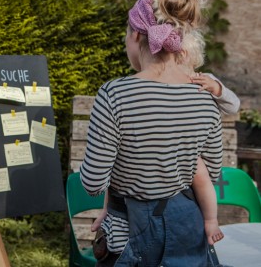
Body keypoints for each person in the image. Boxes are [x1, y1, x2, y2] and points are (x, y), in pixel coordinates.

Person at [80, 0, 224, 266]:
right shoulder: (204, 97)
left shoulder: (115, 93)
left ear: (136, 36)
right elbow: (214, 170)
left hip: (130, 234)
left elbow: (93, 182)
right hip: (186, 230)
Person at [90, 32, 240, 247]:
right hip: (165, 193)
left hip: (174, 167)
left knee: (200, 173)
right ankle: (110, 210)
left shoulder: (203, 81)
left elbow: (233, 105)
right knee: (122, 169)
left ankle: (211, 219)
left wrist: (217, 88)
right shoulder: (186, 93)